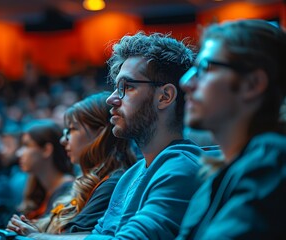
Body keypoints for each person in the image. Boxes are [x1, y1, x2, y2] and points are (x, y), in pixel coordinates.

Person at [28, 32, 205, 240]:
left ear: (165, 97)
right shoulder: (131, 174)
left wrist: (40, 238)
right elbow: (98, 236)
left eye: (127, 87)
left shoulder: (181, 168)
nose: (111, 99)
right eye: (116, 88)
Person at [177, 19, 286, 239]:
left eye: (205, 68)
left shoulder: (270, 162)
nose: (186, 83)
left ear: (252, 84)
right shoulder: (217, 173)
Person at [7, 91, 137, 235]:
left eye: (72, 129)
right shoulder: (94, 181)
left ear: (99, 134)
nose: (64, 140)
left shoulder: (112, 184)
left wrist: (36, 235)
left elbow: (72, 236)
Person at [16, 119, 74, 220]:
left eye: (26, 145)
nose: (19, 153)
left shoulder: (68, 191)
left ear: (46, 150)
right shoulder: (36, 188)